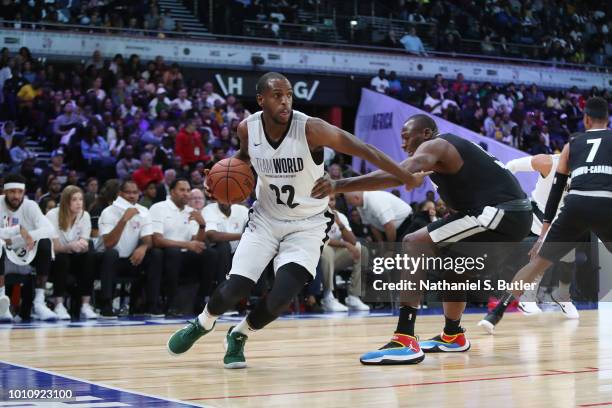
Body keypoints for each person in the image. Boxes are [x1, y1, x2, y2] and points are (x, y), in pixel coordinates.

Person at [167, 71, 427, 368]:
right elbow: (242, 160)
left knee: (280, 298)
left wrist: (405, 176)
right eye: (277, 95)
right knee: (235, 289)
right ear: (261, 99)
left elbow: (363, 148)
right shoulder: (247, 129)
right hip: (266, 218)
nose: (285, 101)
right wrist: (218, 179)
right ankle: (202, 322)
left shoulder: (311, 129)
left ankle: (239, 334)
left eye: (289, 95)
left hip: (309, 223)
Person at [310, 113, 532, 365]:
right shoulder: (446, 155)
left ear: (425, 133)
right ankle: (452, 335)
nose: (403, 144)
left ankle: (404, 338)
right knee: (454, 268)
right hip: (509, 215)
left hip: (502, 213)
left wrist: (337, 185)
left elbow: (398, 175)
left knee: (413, 241)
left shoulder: (435, 145)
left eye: (406, 137)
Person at [485, 97, 611, 328]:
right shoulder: (548, 161)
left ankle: (552, 298)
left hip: (571, 210)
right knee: (549, 257)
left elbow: (561, 195)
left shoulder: (577, 150)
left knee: (553, 261)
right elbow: (515, 167)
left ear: (586, 119)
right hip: (567, 209)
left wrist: (545, 233)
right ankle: (534, 297)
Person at [477, 153, 580, 334]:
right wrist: (502, 191)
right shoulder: (547, 162)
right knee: (542, 255)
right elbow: (512, 165)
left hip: (563, 218)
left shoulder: (587, 171)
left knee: (568, 258)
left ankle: (563, 297)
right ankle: (527, 298)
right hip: (538, 214)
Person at [98, 180, 163, 318]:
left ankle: (152, 304)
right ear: (120, 194)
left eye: (135, 192)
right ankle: (106, 305)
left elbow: (148, 240)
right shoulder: (108, 212)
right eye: (128, 192)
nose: (132, 196)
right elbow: (109, 243)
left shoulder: (143, 211)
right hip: (110, 262)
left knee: (156, 254)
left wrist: (143, 247)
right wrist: (124, 219)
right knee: (111, 254)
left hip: (133, 260)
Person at [150, 178, 216, 316]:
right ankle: (171, 303)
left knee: (210, 253)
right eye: (182, 190)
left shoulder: (190, 211)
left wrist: (202, 225)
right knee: (174, 252)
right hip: (164, 253)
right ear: (172, 191)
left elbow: (196, 242)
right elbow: (157, 240)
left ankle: (201, 300)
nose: (186, 193)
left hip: (185, 254)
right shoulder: (159, 208)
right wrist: (186, 245)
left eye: (188, 190)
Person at [0, 174, 57, 321]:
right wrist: (18, 232)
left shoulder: (30, 206)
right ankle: (2, 302)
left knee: (45, 242)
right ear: (5, 192)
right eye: (12, 192)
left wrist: (25, 237)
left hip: (26, 253)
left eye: (19, 192)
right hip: (4, 253)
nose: (16, 196)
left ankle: (39, 301)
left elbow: (50, 229)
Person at [46, 186, 98, 320]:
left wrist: (83, 245)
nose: (79, 203)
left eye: (80, 199)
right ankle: (59, 304)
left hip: (75, 258)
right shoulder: (52, 215)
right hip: (54, 259)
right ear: (65, 201)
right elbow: (56, 247)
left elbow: (85, 241)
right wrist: (69, 246)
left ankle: (85, 305)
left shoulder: (84, 215)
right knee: (62, 257)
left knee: (90, 256)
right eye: (74, 199)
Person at [320, 193, 369, 312]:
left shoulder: (340, 216)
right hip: (318, 254)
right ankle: (328, 297)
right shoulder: (314, 215)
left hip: (336, 255)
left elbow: (352, 240)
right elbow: (322, 239)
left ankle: (353, 296)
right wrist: (345, 244)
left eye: (332, 200)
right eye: (327, 200)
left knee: (361, 250)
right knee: (326, 250)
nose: (330, 203)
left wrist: (339, 223)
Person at [202, 199, 249, 290]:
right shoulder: (209, 210)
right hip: (217, 251)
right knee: (224, 246)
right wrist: (244, 236)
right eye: (221, 197)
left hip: (238, 250)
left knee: (257, 247)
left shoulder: (242, 210)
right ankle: (222, 289)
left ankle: (257, 294)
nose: (225, 201)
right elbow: (212, 236)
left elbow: (256, 226)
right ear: (216, 198)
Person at [344, 190, 413, 243]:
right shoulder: (359, 206)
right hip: (389, 230)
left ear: (356, 198)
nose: (348, 204)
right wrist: (381, 244)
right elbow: (372, 225)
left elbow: (390, 226)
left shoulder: (375, 201)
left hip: (406, 223)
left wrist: (390, 249)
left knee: (399, 254)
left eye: (349, 202)